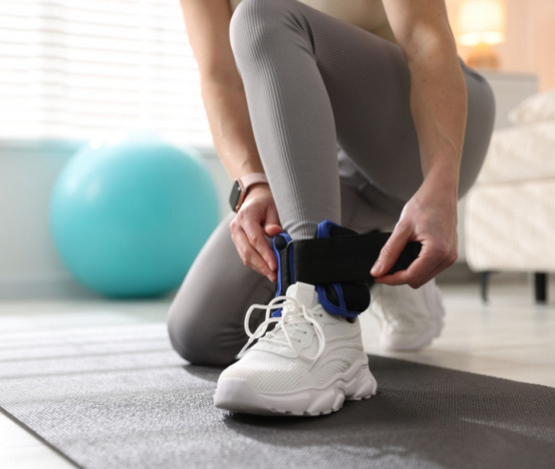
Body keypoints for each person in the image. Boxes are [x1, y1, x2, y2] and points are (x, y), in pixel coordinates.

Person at [168, 0, 495, 416]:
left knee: (260, 16)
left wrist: (441, 185)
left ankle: (327, 317)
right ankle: (373, 258)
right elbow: (220, 78)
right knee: (201, 332)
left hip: (420, 137)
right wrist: (253, 184)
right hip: (333, 164)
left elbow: (424, 38)